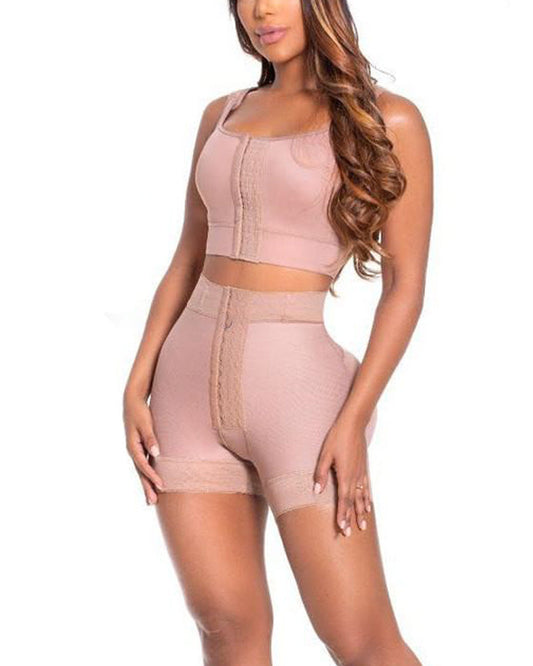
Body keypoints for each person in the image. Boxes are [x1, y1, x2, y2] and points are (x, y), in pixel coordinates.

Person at [123, 0, 433, 663]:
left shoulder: (388, 119)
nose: (260, 9)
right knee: (224, 627)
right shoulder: (222, 114)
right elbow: (188, 256)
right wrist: (135, 384)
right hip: (184, 394)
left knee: (360, 640)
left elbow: (404, 285)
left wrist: (353, 420)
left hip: (301, 403)